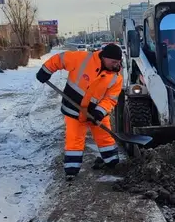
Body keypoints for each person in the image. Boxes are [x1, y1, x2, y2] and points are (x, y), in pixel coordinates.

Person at [36, 44, 123, 180]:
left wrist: (100, 112)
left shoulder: (116, 77)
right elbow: (60, 59)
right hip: (74, 110)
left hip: (96, 113)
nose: (116, 65)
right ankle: (71, 171)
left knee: (105, 138)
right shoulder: (82, 58)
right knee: (74, 140)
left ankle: (113, 163)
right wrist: (46, 70)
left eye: (118, 62)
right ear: (104, 57)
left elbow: (110, 99)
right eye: (113, 62)